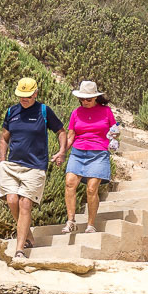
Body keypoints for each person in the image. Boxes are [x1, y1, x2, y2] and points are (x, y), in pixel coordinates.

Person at [0, 77, 68, 258]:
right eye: (21, 96)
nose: (24, 99)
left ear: (36, 93)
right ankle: (28, 234)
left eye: (28, 96)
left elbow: (61, 131)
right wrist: (2, 160)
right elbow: (4, 137)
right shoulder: (11, 111)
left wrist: (61, 152)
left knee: (25, 203)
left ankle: (19, 250)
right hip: (11, 165)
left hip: (35, 167)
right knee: (12, 200)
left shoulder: (44, 111)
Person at [64, 80, 118, 236]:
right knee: (69, 183)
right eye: (82, 99)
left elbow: (114, 131)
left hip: (99, 152)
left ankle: (91, 224)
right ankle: (71, 221)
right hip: (78, 151)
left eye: (88, 99)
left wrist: (114, 138)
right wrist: (62, 152)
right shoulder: (76, 113)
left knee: (91, 188)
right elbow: (71, 136)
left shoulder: (106, 111)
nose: (85, 102)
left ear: (95, 98)